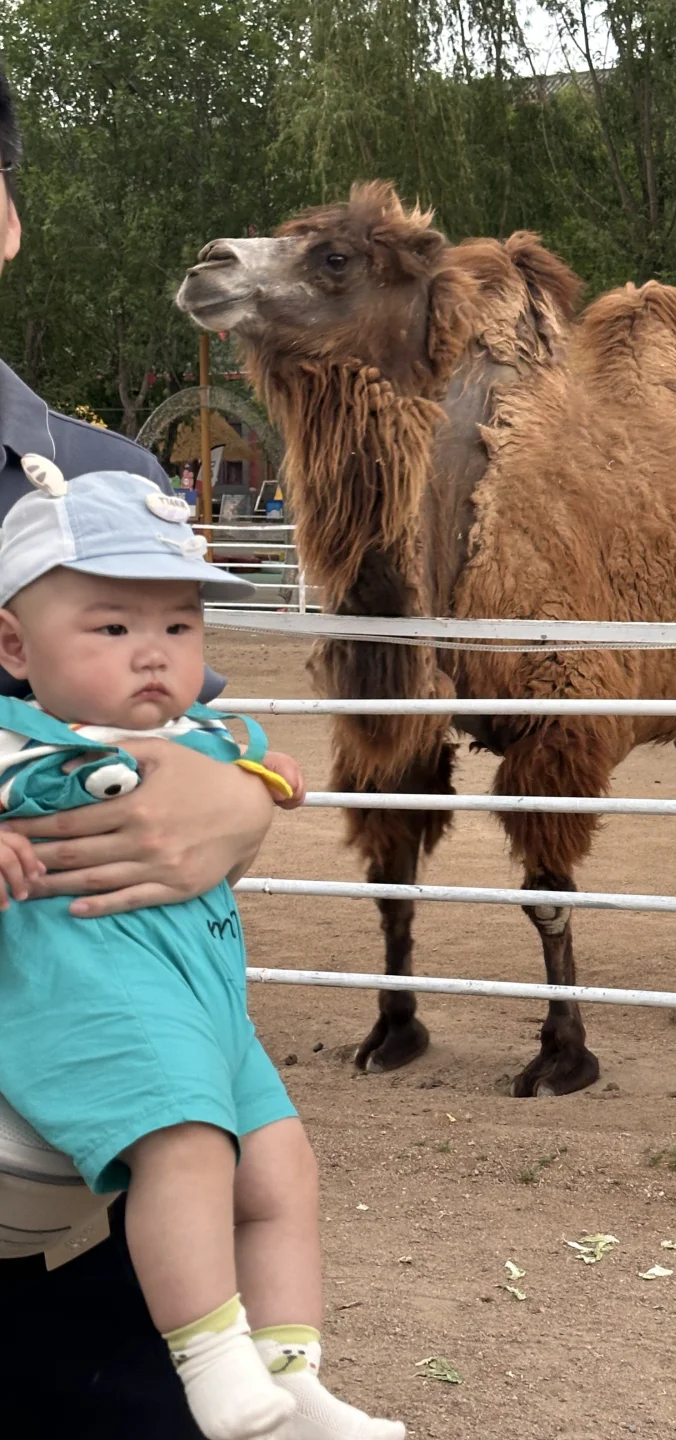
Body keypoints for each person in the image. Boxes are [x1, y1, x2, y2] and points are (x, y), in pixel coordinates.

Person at [0, 63, 338, 1439]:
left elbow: (188, 727)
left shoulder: (103, 492)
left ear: (3, 215)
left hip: (68, 1264)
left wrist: (243, 796)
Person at [0, 467, 404, 1440]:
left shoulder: (202, 730)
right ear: (14, 646)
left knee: (280, 1173)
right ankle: (209, 1358)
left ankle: (291, 1367)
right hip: (95, 1005)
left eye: (179, 628)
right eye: (112, 629)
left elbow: (265, 768)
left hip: (211, 1013)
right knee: (185, 1156)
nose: (154, 654)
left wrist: (262, 788)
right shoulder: (17, 744)